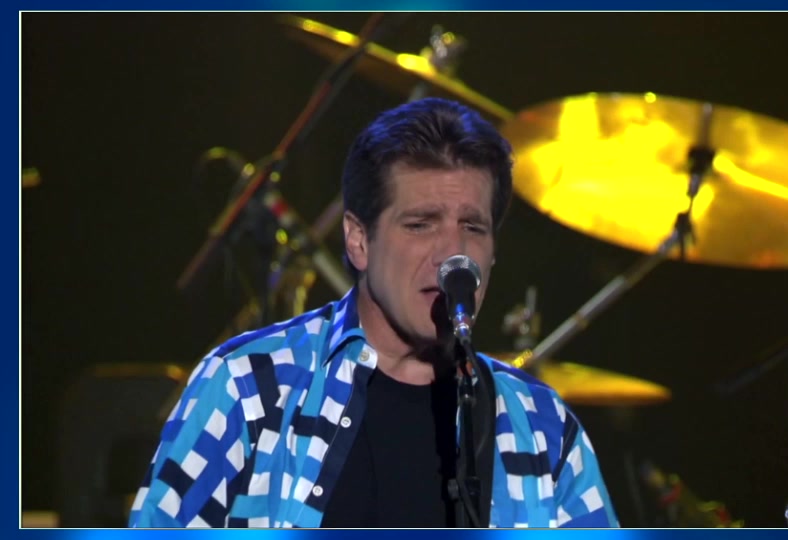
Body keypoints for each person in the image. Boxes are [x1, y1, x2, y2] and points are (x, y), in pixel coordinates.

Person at [128, 97, 619, 528]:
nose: (452, 254)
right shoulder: (247, 387)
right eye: (421, 224)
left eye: (473, 227)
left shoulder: (542, 426)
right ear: (359, 241)